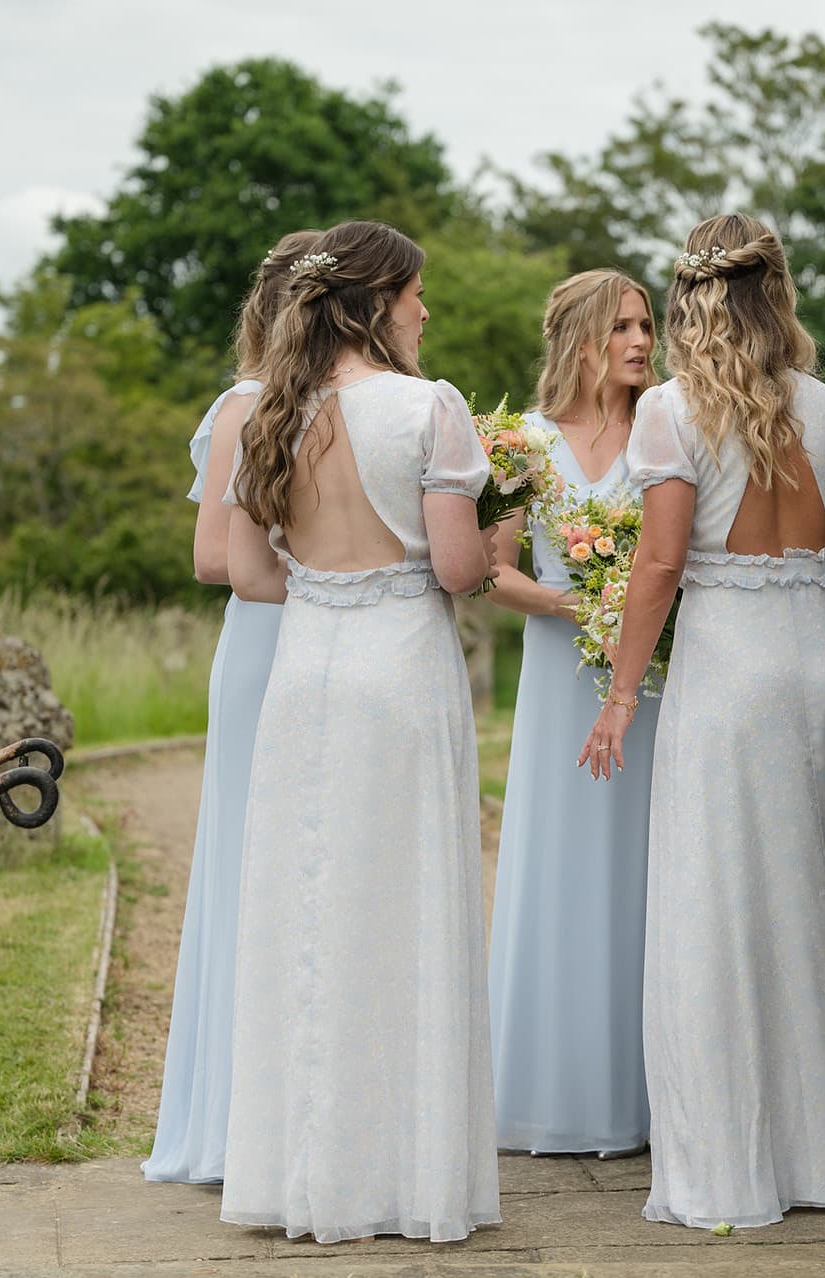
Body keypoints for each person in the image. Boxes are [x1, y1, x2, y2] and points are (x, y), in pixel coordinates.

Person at [580, 213, 825, 1230]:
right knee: (815, 897)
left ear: (690, 300)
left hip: (725, 667)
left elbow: (663, 563)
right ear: (779, 292)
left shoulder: (671, 413)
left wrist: (625, 689)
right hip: (811, 656)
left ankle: (731, 1170)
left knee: (720, 902)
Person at [219, 221, 500, 1244]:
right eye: (418, 294)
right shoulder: (429, 408)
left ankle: (302, 1176)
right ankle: (402, 1177)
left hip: (305, 668)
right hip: (398, 667)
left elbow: (251, 577)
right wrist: (498, 532)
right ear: (379, 302)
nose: (426, 312)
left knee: (309, 908)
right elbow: (460, 571)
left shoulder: (269, 413)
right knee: (405, 905)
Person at [142, 228, 317, 1186]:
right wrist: (341, 579)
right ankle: (241, 1117)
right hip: (267, 646)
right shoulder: (249, 404)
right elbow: (215, 558)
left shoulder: (332, 407)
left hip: (323, 644)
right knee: (258, 864)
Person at [485, 269, 661, 1158]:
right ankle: (553, 1090)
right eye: (622, 327)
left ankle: (647, 1095)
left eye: (646, 325)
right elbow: (490, 568)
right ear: (581, 339)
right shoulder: (523, 443)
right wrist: (569, 605)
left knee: (642, 869)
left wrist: (628, 614)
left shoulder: (667, 428)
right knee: (559, 863)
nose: (641, 341)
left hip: (649, 687)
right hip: (559, 682)